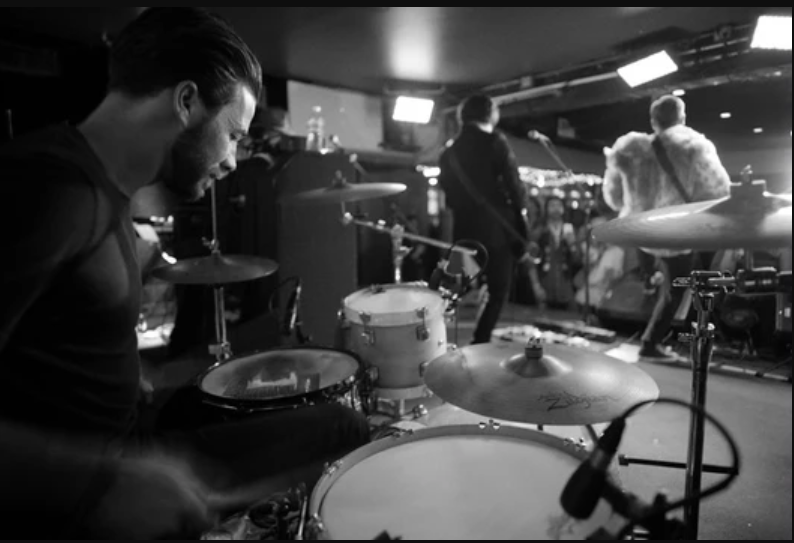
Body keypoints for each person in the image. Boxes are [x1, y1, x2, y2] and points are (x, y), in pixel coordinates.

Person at [0, 8, 368, 539]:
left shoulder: (105, 192)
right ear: (186, 101)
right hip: (92, 485)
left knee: (344, 422)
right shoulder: (51, 190)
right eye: (234, 135)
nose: (235, 160)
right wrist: (107, 483)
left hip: (131, 441)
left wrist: (129, 379)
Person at [603, 94, 731, 361]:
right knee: (678, 287)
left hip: (642, 232)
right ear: (682, 118)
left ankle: (650, 282)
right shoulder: (694, 146)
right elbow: (718, 190)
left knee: (661, 282)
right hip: (675, 232)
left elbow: (613, 198)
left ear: (653, 121)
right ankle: (651, 343)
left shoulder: (630, 150)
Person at [438, 95, 529, 344]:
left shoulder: (448, 153)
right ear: (489, 113)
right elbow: (515, 187)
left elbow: (449, 196)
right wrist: (522, 225)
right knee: (499, 291)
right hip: (497, 232)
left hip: (465, 232)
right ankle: (480, 340)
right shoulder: (495, 142)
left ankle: (435, 338)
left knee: (456, 288)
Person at [532, 196, 582, 310]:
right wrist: (535, 285)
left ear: (563, 209)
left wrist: (572, 244)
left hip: (565, 284)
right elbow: (531, 260)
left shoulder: (570, 229)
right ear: (546, 209)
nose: (556, 209)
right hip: (544, 281)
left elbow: (578, 260)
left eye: (559, 205)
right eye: (552, 205)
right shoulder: (540, 230)